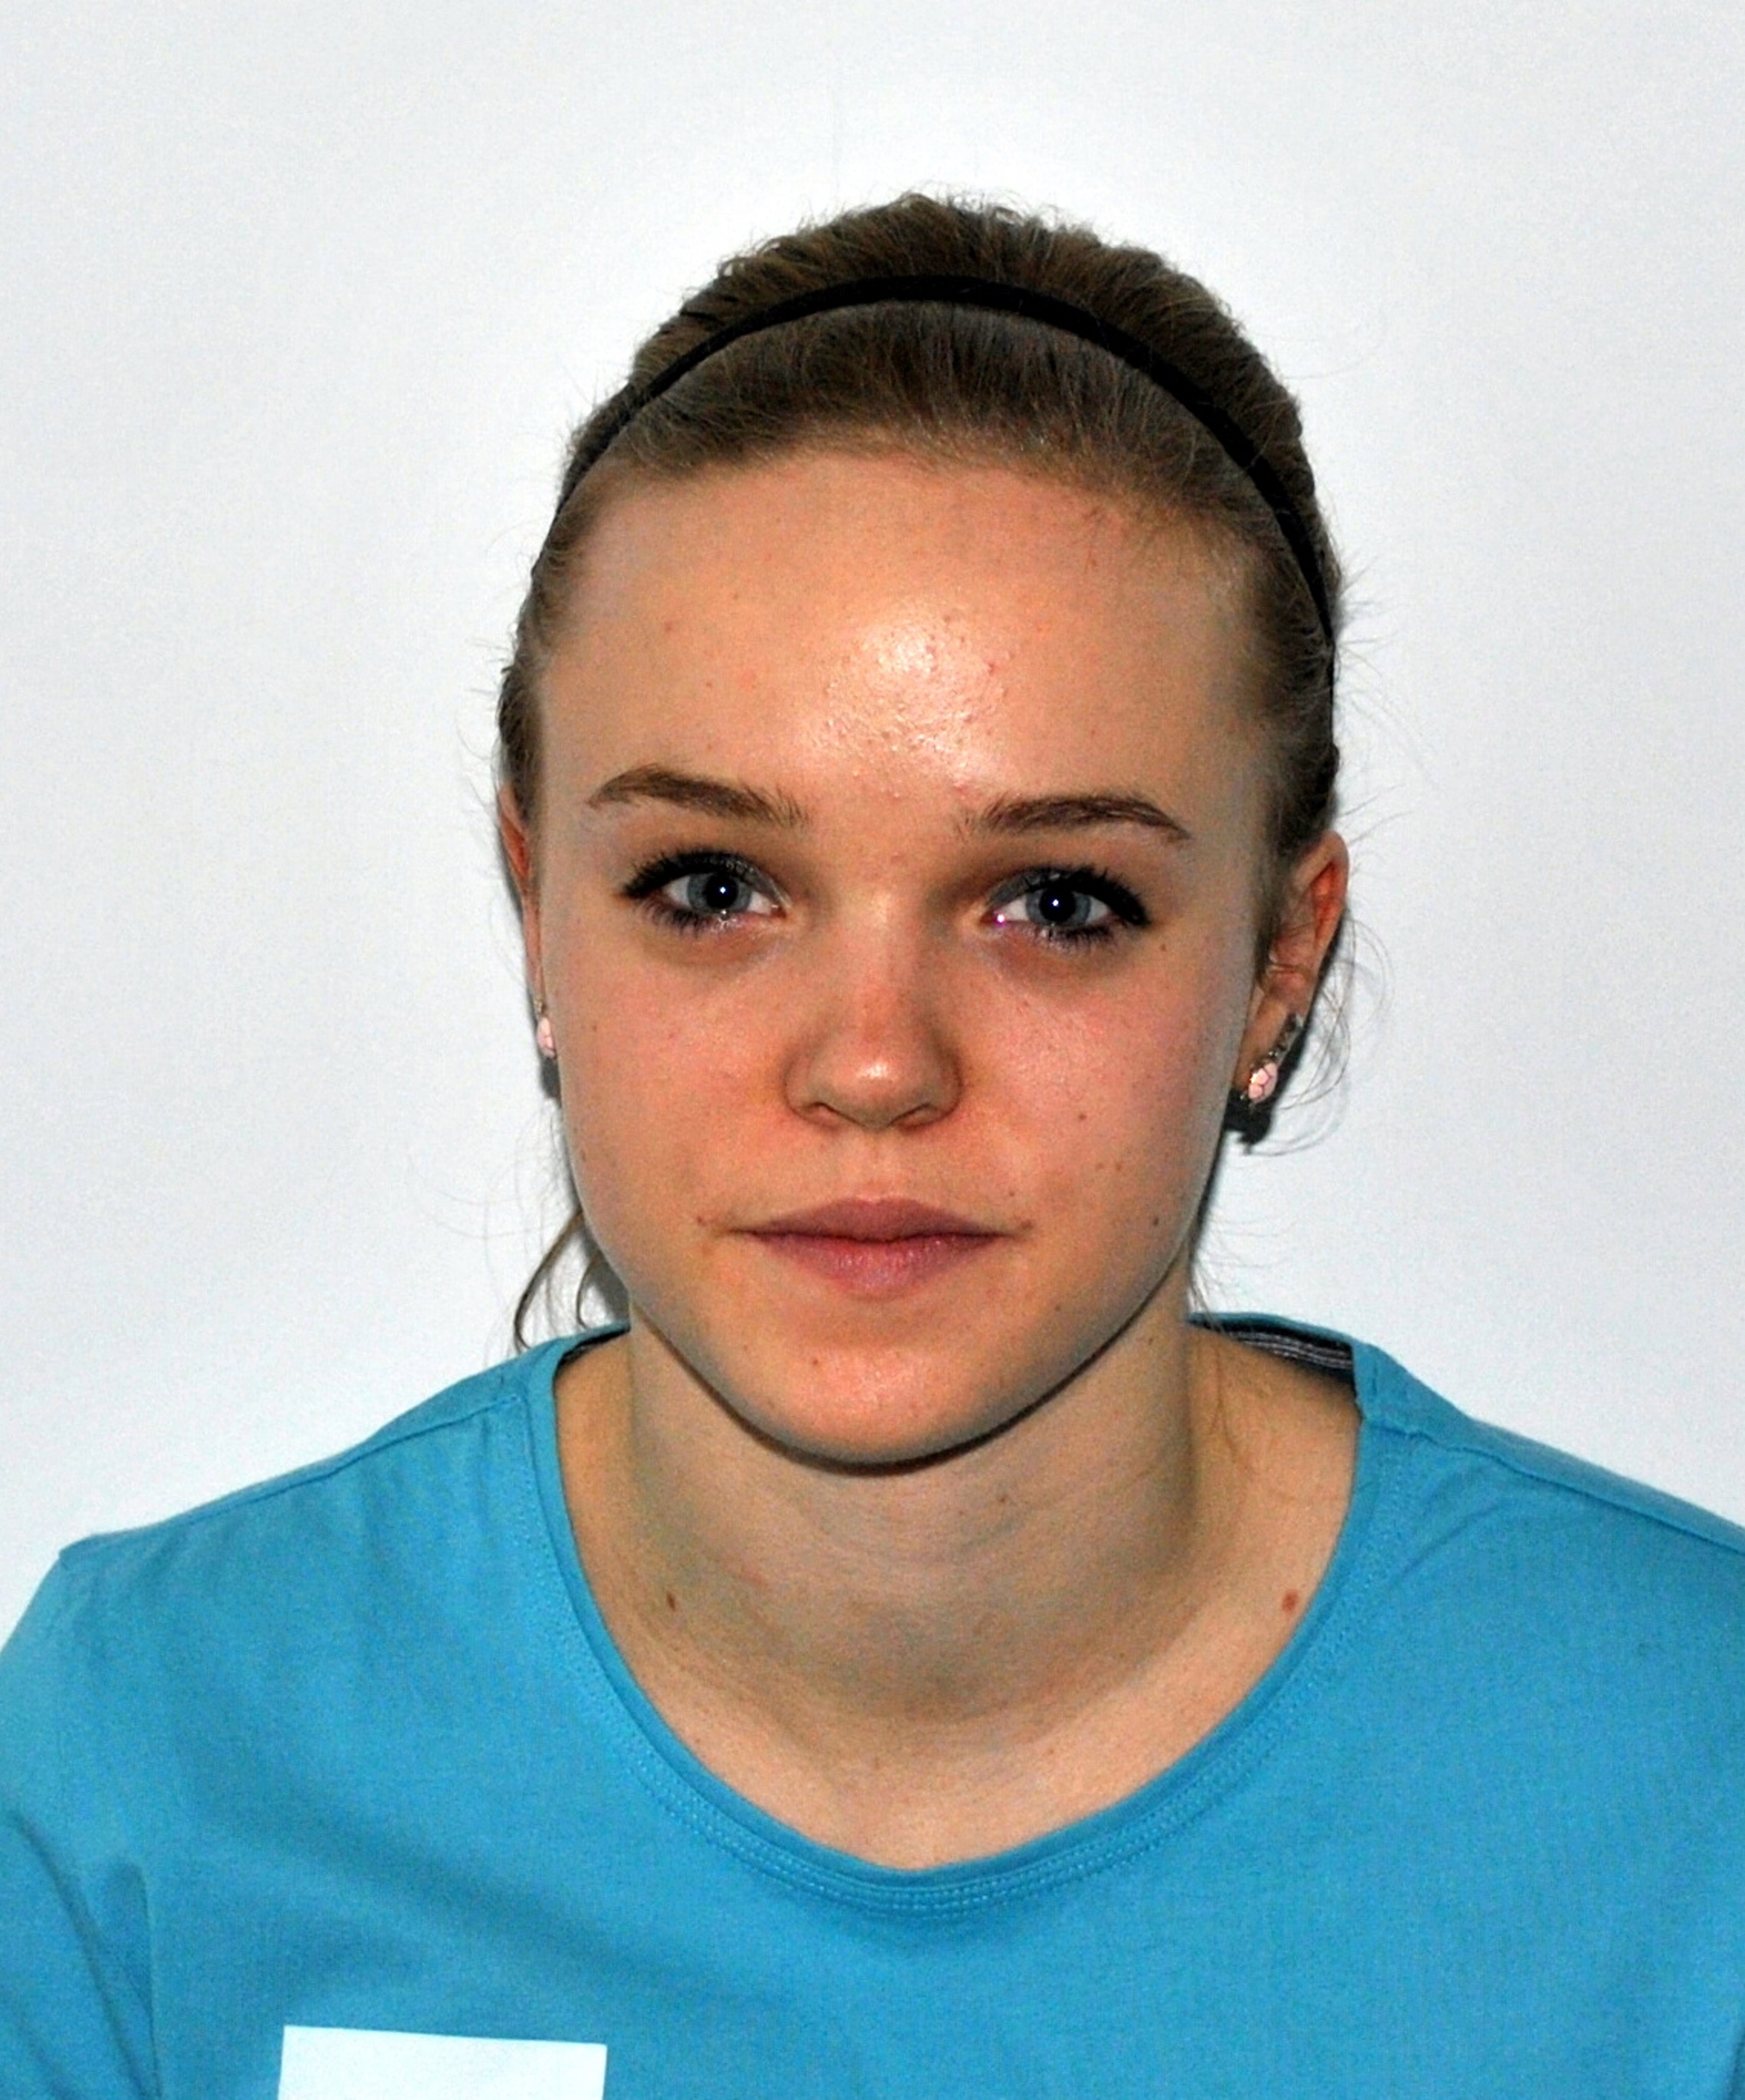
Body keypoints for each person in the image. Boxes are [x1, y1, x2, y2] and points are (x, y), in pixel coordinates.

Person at [3, 192, 1743, 2100]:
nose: (875, 1064)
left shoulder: (1696, 1788)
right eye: (713, 885)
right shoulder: (154, 1756)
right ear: (538, 908)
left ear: (1277, 962)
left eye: (1056, 903)